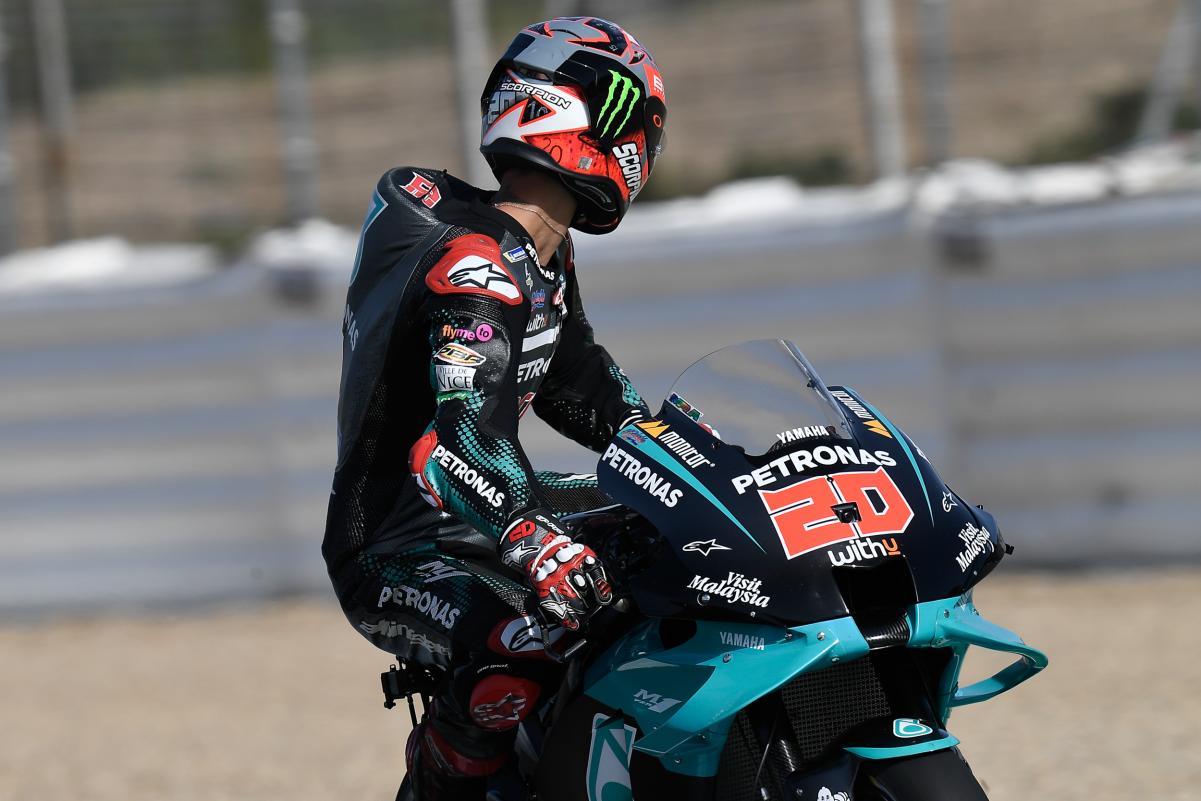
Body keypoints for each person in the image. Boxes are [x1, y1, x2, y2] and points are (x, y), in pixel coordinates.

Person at [321, 17, 667, 801]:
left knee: (671, 539)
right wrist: (534, 539)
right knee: (518, 647)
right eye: (643, 124)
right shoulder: (472, 261)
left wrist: (685, 460)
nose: (648, 149)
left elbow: (580, 386)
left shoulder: (541, 254)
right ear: (595, 118)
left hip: (498, 509)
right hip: (398, 545)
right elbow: (452, 444)